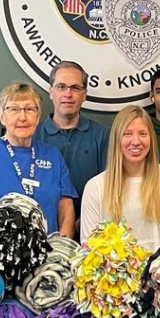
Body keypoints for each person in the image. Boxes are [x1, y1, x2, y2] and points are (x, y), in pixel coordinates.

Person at [0, 82, 77, 245]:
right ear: (2, 116)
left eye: (29, 109)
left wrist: (60, 250)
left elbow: (66, 210)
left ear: (38, 116)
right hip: (0, 256)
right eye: (14, 109)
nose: (22, 117)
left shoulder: (53, 155)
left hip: (50, 252)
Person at [82, 105, 160, 252]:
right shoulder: (95, 187)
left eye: (142, 134)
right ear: (116, 139)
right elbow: (90, 251)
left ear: (151, 138)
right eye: (127, 134)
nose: (136, 141)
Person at [34, 61, 109, 230]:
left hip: (91, 231)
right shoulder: (32, 136)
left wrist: (82, 224)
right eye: (61, 87)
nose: (68, 94)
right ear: (51, 92)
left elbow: (109, 188)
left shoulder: (103, 135)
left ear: (84, 94)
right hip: (40, 231)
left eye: (75, 88)